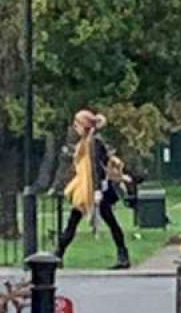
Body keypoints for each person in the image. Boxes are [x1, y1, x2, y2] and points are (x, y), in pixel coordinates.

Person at [54, 109, 130, 270]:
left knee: (106, 221)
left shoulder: (93, 142)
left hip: (93, 189)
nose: (75, 128)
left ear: (84, 125)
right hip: (85, 187)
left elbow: (97, 168)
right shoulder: (85, 141)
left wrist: (97, 191)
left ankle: (123, 255)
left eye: (77, 124)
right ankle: (58, 255)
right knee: (75, 222)